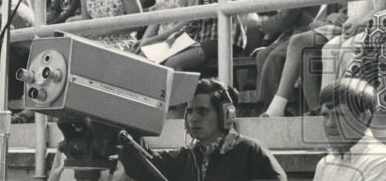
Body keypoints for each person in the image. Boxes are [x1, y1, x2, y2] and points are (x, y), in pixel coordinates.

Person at [118, 79, 288, 181]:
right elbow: (144, 167)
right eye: (190, 111)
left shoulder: (251, 151)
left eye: (202, 111)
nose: (193, 118)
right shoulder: (185, 157)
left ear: (225, 114)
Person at [312, 78, 386, 181]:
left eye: (339, 115)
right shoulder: (325, 165)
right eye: (325, 115)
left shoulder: (380, 161)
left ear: (364, 117)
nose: (330, 124)